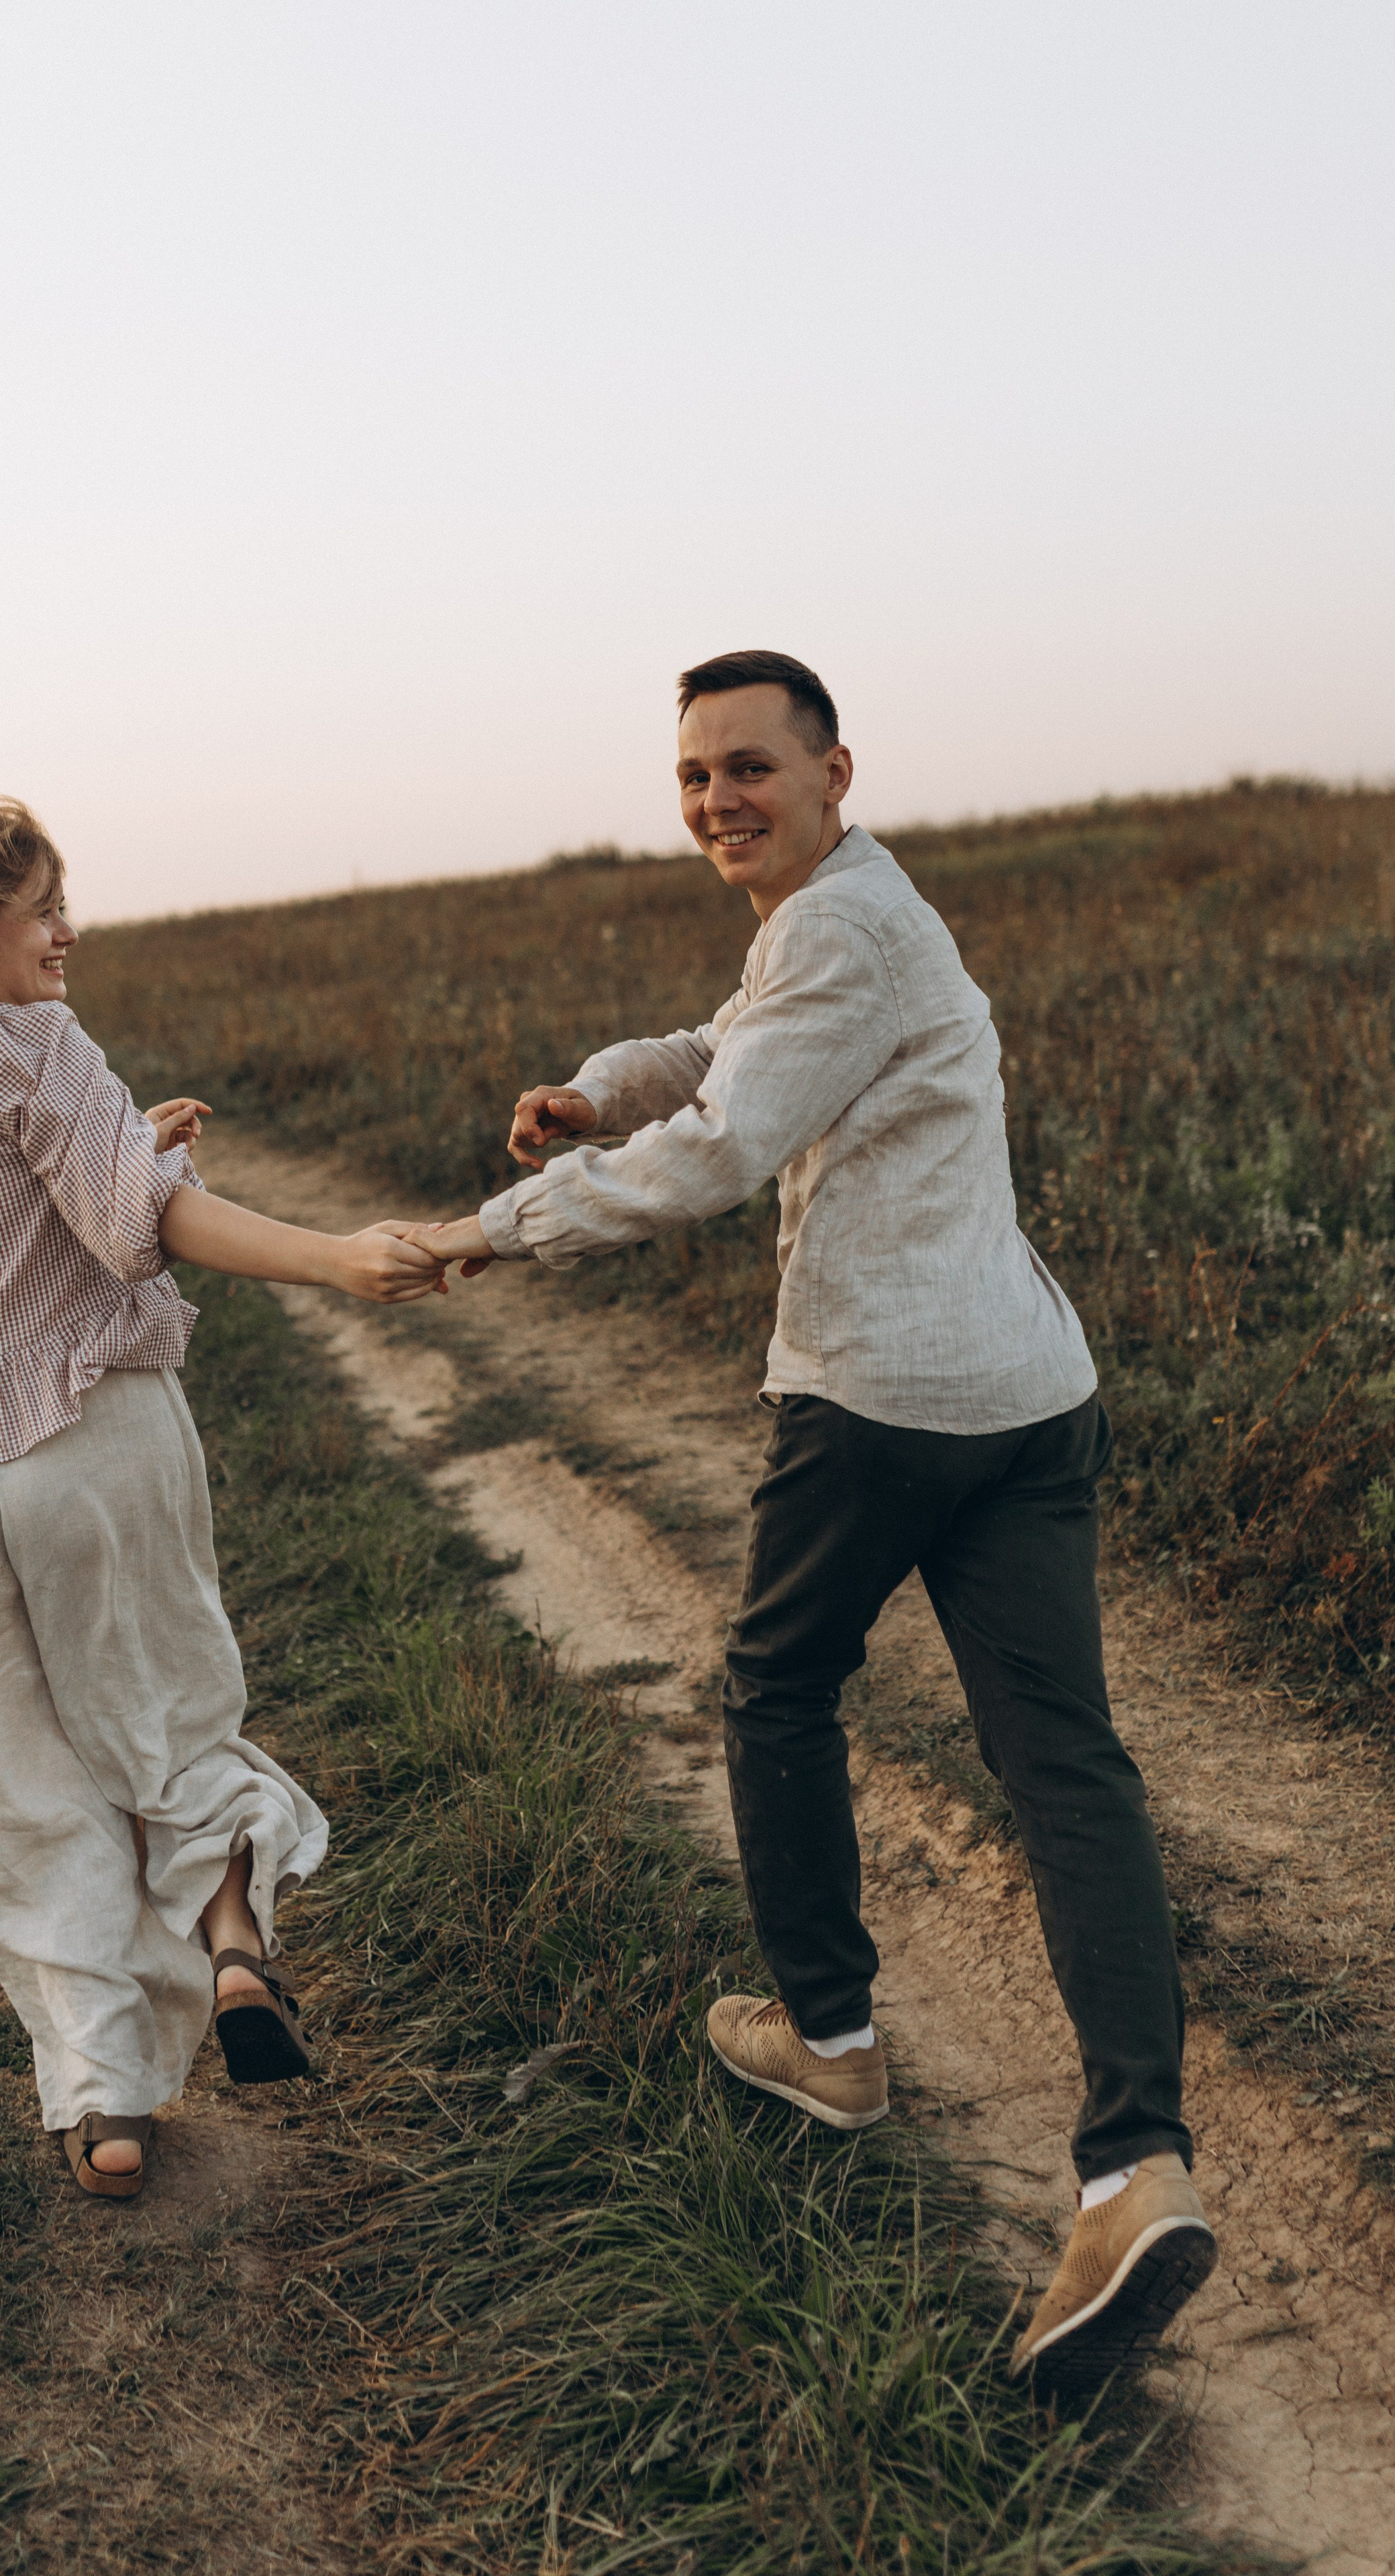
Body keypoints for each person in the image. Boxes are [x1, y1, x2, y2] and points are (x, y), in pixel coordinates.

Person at [413, 650, 1217, 2396]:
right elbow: (727, 1053)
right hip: (1027, 1396)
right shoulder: (843, 912)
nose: (717, 801)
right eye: (692, 776)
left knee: (776, 1688)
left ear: (834, 769)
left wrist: (493, 1230)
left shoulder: (840, 925)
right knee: (1064, 1765)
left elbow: (720, 1152)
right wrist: (604, 1088)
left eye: (749, 768)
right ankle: (1136, 2170)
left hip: (881, 1399)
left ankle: (830, 2038)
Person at [0, 799, 446, 2200]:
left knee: (8, 1777)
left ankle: (105, 2102)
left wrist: (135, 1145)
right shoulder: (38, 1041)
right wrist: (332, 1257)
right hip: (88, 1439)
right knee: (164, 1719)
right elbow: (142, 1225)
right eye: (45, 910)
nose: (67, 933)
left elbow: (27, 1223)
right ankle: (234, 1942)